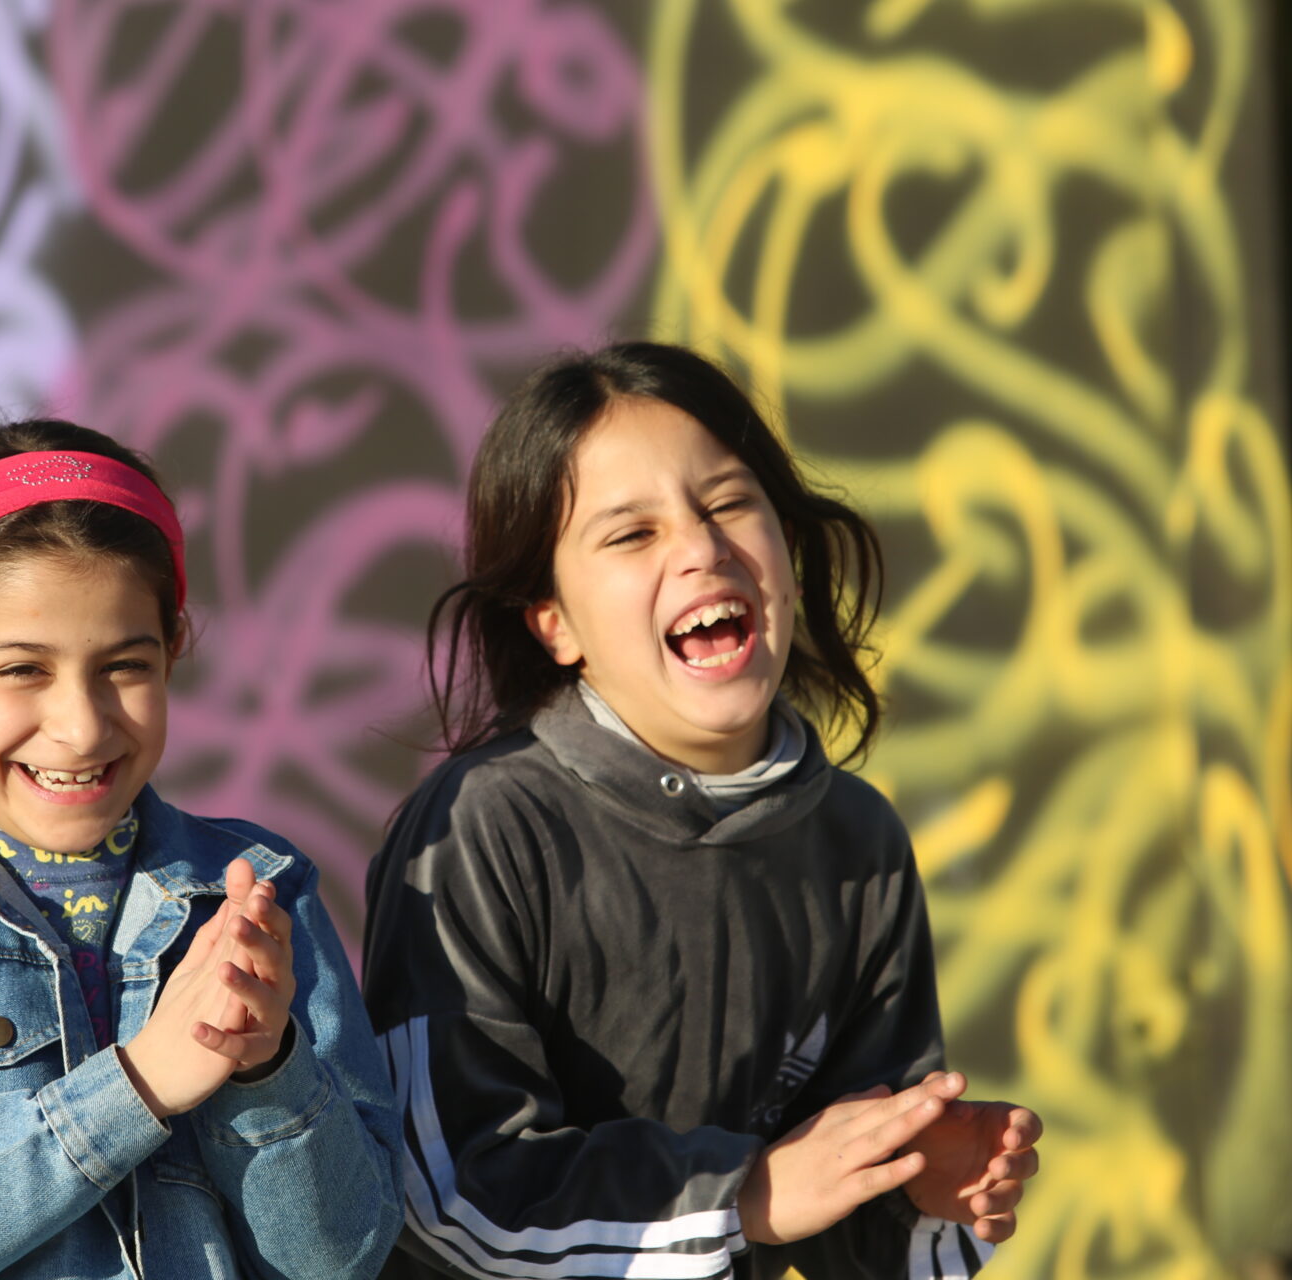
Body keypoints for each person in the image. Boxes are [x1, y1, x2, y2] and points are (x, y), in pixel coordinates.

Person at [362, 343, 1042, 1280]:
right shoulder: (481, 826)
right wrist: (745, 1191)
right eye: (630, 534)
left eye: (727, 503)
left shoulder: (861, 840)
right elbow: (445, 1194)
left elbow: (832, 1215)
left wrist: (921, 1195)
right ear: (552, 619)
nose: (701, 547)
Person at [0, 419, 402, 1280]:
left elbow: (340, 1255)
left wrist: (267, 1067)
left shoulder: (262, 893)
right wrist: (139, 1082)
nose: (83, 726)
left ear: (172, 652)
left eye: (125, 666)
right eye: (22, 670)